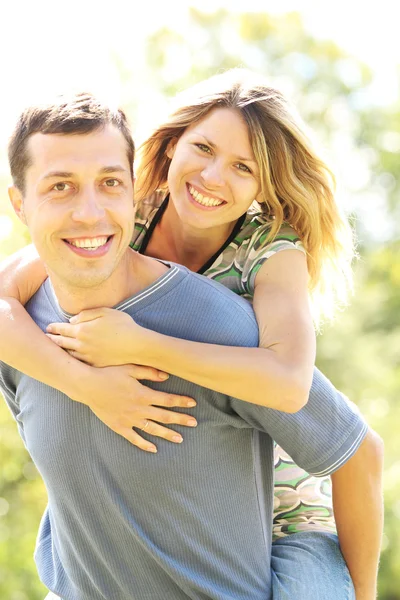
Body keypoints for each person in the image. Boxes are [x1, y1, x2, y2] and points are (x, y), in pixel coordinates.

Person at [0, 81, 382, 599]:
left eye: (243, 167)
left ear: (264, 188)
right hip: (185, 495)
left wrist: (142, 346)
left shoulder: (268, 253)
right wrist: (85, 385)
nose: (211, 176)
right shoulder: (121, 208)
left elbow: (291, 386)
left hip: (286, 498)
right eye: (203, 148)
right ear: (173, 144)